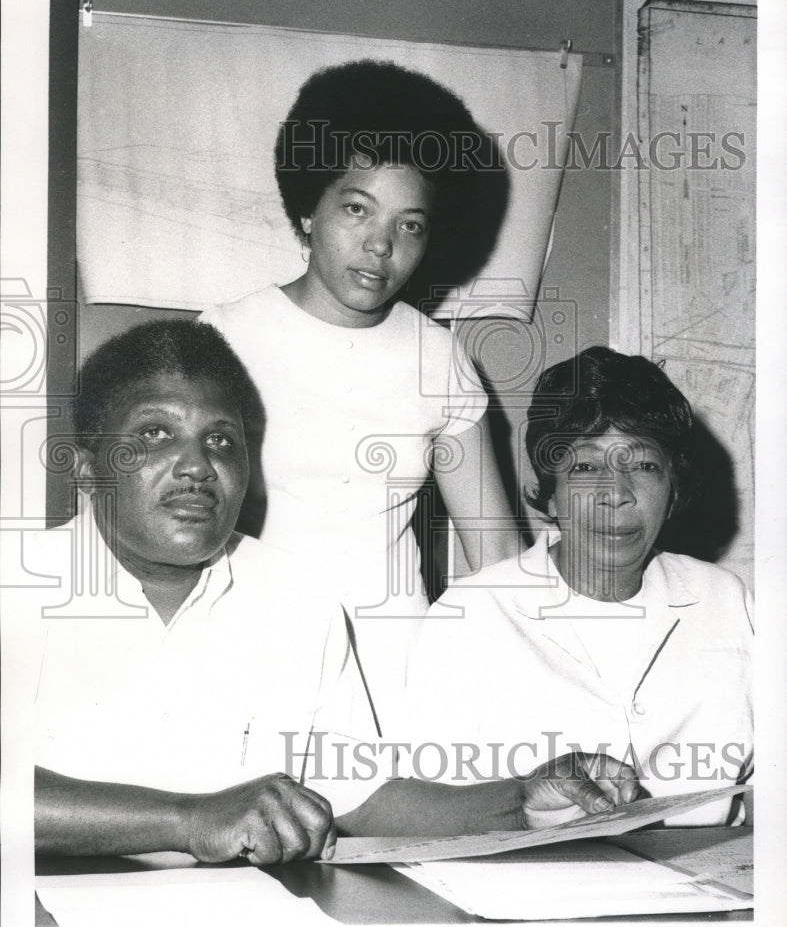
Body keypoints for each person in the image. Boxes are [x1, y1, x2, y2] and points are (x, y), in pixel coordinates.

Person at [15, 322, 640, 864]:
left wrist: (520, 799)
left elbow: (363, 797)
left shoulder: (298, 601)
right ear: (85, 463)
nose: (198, 466)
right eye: (155, 434)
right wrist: (188, 819)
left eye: (222, 440)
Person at [199, 60, 521, 728]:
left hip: (397, 679)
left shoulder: (438, 356)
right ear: (307, 208)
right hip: (250, 661)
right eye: (355, 208)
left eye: (410, 225)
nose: (379, 246)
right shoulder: (224, 339)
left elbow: (497, 558)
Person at [405, 347, 753, 826]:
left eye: (645, 466)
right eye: (586, 467)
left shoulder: (726, 599)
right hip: (529, 886)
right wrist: (519, 798)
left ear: (675, 488)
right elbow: (416, 810)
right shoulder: (470, 614)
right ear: (551, 488)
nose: (616, 493)